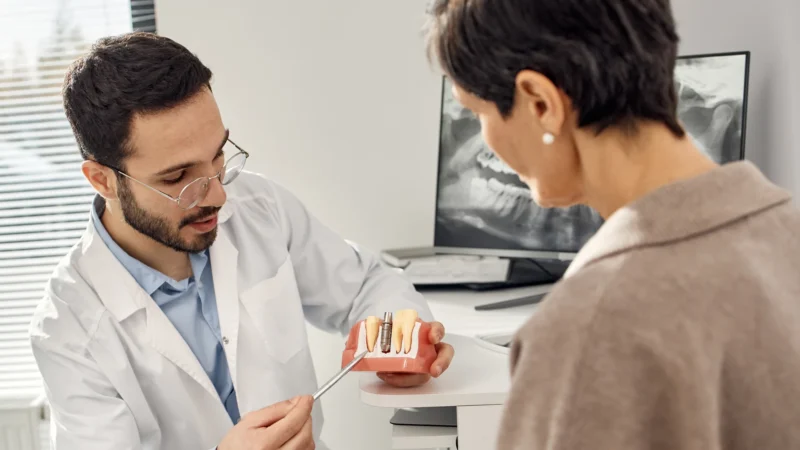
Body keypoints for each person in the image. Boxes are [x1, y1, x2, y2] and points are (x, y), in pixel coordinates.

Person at [29, 32, 454, 450]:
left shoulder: (259, 206)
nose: (217, 195)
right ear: (103, 180)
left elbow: (365, 285)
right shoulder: (68, 326)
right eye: (177, 178)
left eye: (217, 155)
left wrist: (402, 342)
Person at [424, 0, 800, 449]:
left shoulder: (587, 328)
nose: (484, 135)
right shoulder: (786, 235)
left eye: (477, 113)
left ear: (541, 103)